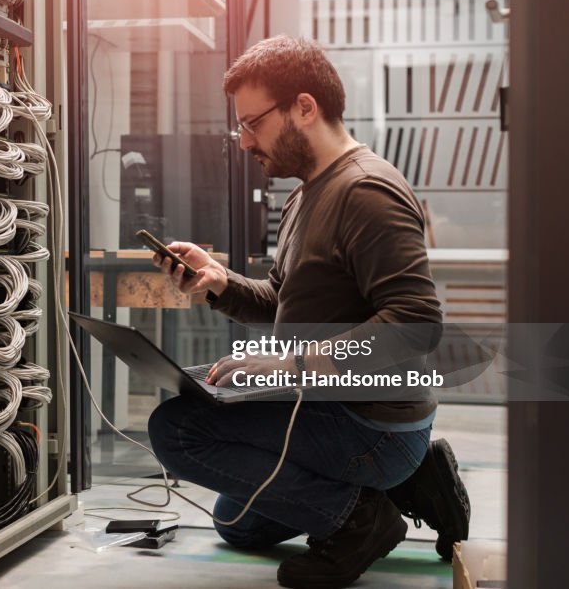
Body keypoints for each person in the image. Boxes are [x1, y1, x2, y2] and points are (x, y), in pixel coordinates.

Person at [147, 36, 470, 589]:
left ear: (304, 106)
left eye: (253, 123)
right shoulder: (305, 194)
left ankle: (363, 518)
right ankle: (406, 484)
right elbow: (283, 300)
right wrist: (220, 284)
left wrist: (285, 367)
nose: (245, 142)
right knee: (236, 524)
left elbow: (417, 323)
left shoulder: (365, 190)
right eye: (240, 127)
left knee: (178, 430)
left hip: (371, 423)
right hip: (332, 408)